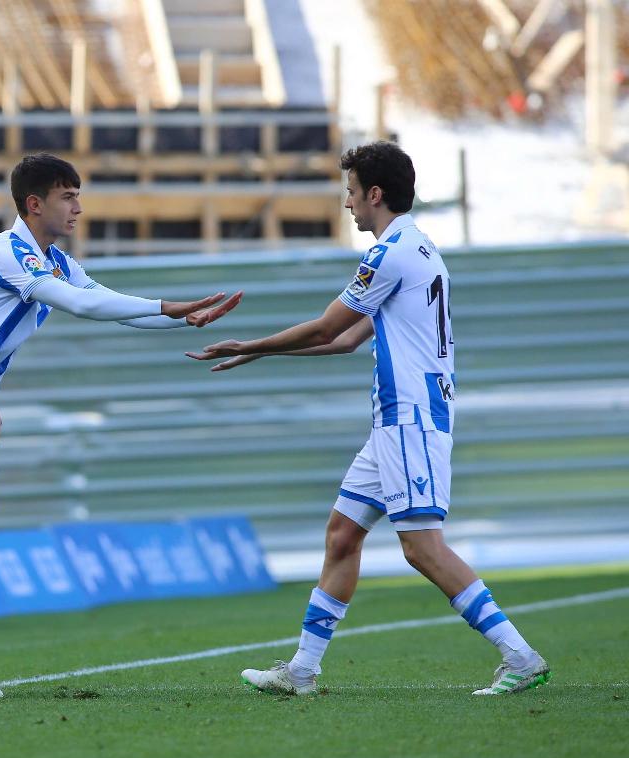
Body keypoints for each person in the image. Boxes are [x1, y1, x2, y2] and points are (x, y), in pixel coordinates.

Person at [0, 154, 242, 700]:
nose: (79, 206)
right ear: (34, 204)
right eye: (68, 196)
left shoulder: (53, 260)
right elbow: (79, 306)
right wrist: (169, 304)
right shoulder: (7, 254)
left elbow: (102, 302)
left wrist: (176, 316)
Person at [188, 141, 550, 697]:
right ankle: (303, 671)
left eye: (351, 193)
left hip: (409, 415)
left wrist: (255, 342)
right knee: (342, 535)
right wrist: (264, 352)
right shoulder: (420, 247)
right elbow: (347, 340)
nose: (348, 204)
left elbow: (328, 328)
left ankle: (520, 656)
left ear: (374, 194)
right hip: (394, 422)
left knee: (421, 546)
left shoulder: (390, 254)